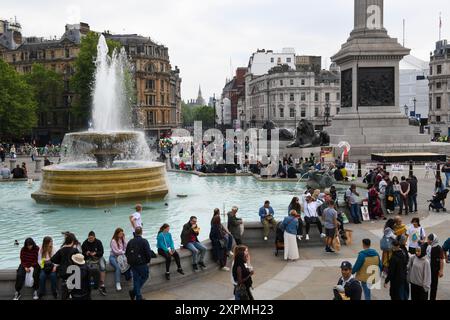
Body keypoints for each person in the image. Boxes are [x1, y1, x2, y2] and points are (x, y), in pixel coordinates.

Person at [125, 227, 152, 301]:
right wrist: (148, 261)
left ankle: (137, 295)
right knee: (145, 276)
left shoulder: (130, 241)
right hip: (141, 263)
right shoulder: (144, 241)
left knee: (136, 279)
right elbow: (148, 253)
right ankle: (134, 292)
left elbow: (126, 252)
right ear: (141, 232)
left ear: (135, 233)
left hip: (133, 264)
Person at [51, 232, 79, 300]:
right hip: (74, 273)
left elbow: (53, 259)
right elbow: (79, 261)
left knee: (64, 293)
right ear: (72, 241)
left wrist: (60, 261)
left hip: (64, 273)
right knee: (76, 293)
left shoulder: (61, 250)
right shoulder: (75, 250)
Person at [81, 231, 107, 296]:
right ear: (88, 237)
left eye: (92, 238)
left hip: (99, 257)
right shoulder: (84, 243)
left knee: (103, 267)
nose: (90, 239)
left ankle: (102, 283)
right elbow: (82, 254)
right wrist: (86, 253)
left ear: (94, 237)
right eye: (89, 238)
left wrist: (96, 253)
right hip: (89, 258)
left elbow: (102, 252)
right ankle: (90, 283)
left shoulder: (98, 242)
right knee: (89, 268)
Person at [425, 233, 445, 301]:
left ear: (433, 240)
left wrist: (441, 270)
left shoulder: (439, 248)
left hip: (435, 270)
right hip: (427, 269)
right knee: (426, 285)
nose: (427, 241)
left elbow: (441, 260)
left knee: (434, 287)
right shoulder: (428, 246)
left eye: (429, 240)